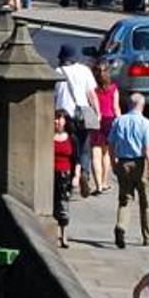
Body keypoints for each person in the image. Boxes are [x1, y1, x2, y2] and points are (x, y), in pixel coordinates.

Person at [109, 87, 149, 251]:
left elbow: (111, 143)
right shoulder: (146, 123)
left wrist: (113, 162)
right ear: (142, 106)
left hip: (123, 162)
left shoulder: (119, 121)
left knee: (125, 199)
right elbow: (148, 148)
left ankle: (121, 226)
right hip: (140, 164)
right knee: (145, 202)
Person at [54, 45, 102, 194]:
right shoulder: (85, 70)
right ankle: (84, 174)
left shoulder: (58, 72)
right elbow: (91, 94)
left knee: (69, 146)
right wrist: (97, 113)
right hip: (83, 114)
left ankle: (71, 177)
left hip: (65, 115)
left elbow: (53, 96)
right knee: (84, 147)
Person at [91, 55, 122, 201]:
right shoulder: (113, 88)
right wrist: (120, 122)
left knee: (95, 153)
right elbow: (116, 107)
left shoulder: (92, 88)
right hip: (109, 121)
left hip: (96, 120)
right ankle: (104, 182)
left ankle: (97, 185)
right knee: (107, 153)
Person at [51, 109, 76, 248]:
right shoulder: (48, 137)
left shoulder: (71, 138)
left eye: (59, 118)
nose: (57, 121)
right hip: (51, 174)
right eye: (55, 118)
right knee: (52, 204)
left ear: (65, 121)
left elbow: (76, 159)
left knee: (63, 206)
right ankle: (55, 234)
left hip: (65, 175)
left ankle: (64, 235)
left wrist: (76, 176)